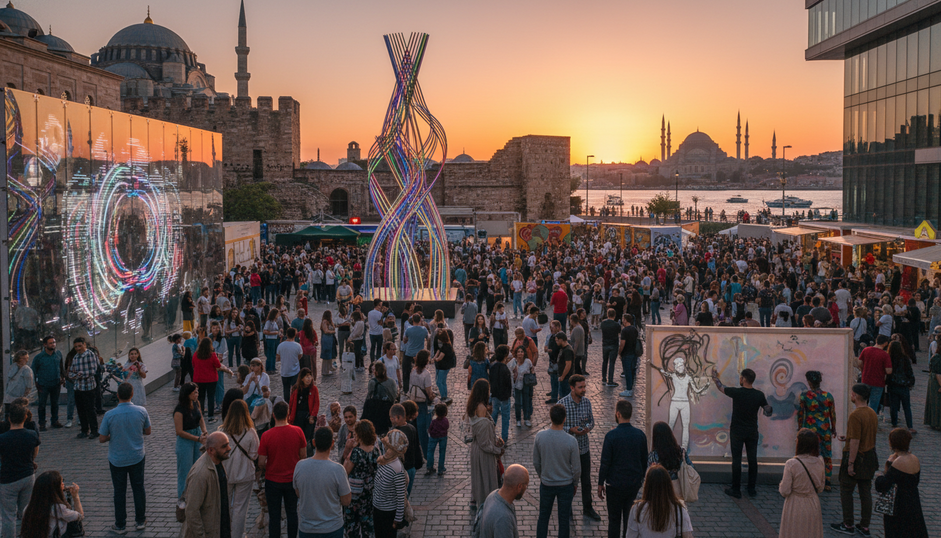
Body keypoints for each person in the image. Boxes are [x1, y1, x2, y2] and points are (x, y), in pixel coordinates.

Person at [98, 382, 151, 533]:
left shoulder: (109, 415)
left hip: (117, 459)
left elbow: (102, 438)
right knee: (138, 488)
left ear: (118, 395)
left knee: (119, 491)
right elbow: (148, 431)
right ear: (132, 394)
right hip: (137, 456)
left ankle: (120, 524)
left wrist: (112, 436)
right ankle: (140, 520)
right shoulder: (141, 411)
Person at [711, 368, 773, 498]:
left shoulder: (737, 392)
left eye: (740, 377)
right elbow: (767, 410)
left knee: (737, 460)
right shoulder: (759, 395)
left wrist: (714, 377)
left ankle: (736, 489)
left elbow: (721, 387)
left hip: (737, 431)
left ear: (743, 379)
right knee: (752, 460)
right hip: (752, 432)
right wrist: (768, 408)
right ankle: (751, 489)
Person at [831, 383, 879, 536]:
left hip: (857, 456)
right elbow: (864, 435)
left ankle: (848, 523)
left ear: (856, 396)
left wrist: (850, 463)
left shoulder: (855, 415)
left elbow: (856, 441)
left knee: (846, 490)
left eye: (852, 394)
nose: (851, 396)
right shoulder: (872, 412)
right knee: (865, 492)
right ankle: (864, 526)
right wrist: (849, 438)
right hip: (870, 455)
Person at [600, 400, 648, 538]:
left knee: (614, 520)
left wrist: (600, 482)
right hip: (633, 484)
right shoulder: (640, 435)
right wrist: (641, 478)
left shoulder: (611, 436)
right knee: (630, 520)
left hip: (614, 485)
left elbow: (605, 462)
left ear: (618, 414)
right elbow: (644, 459)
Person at [259, 400, 308, 538]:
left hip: (272, 480)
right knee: (292, 512)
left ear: (273, 415)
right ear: (288, 414)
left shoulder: (266, 435)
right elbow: (303, 456)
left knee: (274, 515)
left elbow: (261, 462)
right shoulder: (298, 431)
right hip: (292, 480)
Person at [294, 427, 352, 538]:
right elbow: (346, 501)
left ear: (314, 442)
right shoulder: (338, 469)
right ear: (332, 444)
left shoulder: (300, 466)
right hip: (332, 528)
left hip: (307, 528)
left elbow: (298, 493)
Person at [533, 403, 580, 538]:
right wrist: (575, 483)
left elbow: (536, 462)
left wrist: (543, 475)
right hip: (566, 485)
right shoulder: (571, 441)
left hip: (547, 483)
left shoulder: (540, 437)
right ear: (564, 419)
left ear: (550, 418)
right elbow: (576, 468)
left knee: (543, 517)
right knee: (564, 520)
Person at [873, 428, 928, 538]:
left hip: (899, 507)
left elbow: (882, 485)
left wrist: (885, 468)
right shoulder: (914, 458)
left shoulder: (898, 462)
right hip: (914, 502)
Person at [559, 375, 600, 520]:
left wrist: (587, 428)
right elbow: (558, 426)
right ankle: (567, 509)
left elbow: (591, 421)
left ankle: (587, 508)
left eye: (584, 386)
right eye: (580, 387)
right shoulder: (562, 404)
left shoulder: (587, 403)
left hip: (583, 448)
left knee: (586, 480)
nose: (584, 390)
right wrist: (571, 429)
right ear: (572, 388)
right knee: (568, 481)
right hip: (568, 451)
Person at [180, 431, 232, 538]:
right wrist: (200, 535)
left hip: (220, 527)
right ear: (211, 450)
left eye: (228, 444)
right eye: (224, 446)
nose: (229, 448)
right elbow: (192, 511)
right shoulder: (200, 474)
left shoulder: (217, 462)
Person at [220, 399, 258, 538]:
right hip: (245, 473)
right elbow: (254, 455)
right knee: (240, 508)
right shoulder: (251, 432)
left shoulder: (221, 431)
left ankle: (226, 533)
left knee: (225, 506)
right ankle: (238, 534)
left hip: (226, 473)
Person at [0, 404, 39, 538]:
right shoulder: (32, 434)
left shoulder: (3, 439)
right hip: (27, 476)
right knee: (26, 512)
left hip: (7, 479)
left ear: (9, 419)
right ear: (25, 418)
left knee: (8, 515)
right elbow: (35, 451)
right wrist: (31, 460)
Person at [778, 428, 826, 538]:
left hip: (795, 505)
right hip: (813, 504)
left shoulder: (791, 464)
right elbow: (820, 488)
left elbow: (785, 491)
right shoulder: (820, 462)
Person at [625, 465, 693, 538]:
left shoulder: (637, 509)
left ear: (647, 486)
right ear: (669, 485)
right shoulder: (679, 510)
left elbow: (630, 535)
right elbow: (687, 535)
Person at [467, 379, 504, 508]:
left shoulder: (473, 405)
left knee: (479, 479)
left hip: (477, 449)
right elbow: (484, 443)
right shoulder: (481, 408)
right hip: (483, 453)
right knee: (486, 481)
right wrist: (498, 450)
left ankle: (476, 500)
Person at [797, 371, 837, 489]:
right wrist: (833, 428)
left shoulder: (805, 396)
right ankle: (827, 481)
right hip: (825, 429)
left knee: (810, 454)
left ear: (809, 382)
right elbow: (832, 414)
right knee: (826, 455)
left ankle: (811, 479)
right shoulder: (828, 396)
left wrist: (800, 428)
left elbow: (801, 414)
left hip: (810, 430)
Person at [342, 419, 379, 538]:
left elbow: (345, 471)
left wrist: (349, 449)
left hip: (354, 496)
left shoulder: (357, 452)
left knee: (352, 525)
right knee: (367, 524)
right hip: (369, 494)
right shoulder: (375, 451)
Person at [20, 471, 83, 538]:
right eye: (61, 482)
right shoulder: (58, 508)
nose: (63, 484)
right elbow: (79, 516)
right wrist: (75, 496)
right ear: (55, 488)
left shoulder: (28, 507)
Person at [474, 464, 529, 538]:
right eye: (526, 485)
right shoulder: (503, 519)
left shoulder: (492, 495)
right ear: (519, 486)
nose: (526, 488)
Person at [372, 429, 409, 538]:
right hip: (378, 510)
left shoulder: (397, 469)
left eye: (387, 444)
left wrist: (397, 520)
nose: (385, 446)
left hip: (388, 514)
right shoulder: (384, 460)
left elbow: (401, 497)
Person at [174, 383, 208, 498]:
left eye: (197, 392)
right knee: (185, 471)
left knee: (197, 469)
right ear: (187, 394)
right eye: (195, 392)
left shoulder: (196, 403)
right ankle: (183, 497)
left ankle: (196, 495)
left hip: (197, 435)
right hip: (186, 440)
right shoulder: (179, 410)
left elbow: (200, 418)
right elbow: (179, 431)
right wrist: (197, 438)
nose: (197, 394)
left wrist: (204, 431)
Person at [647, 421, 692, 494]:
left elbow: (650, 474)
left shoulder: (654, 455)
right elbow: (691, 467)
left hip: (660, 490)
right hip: (678, 488)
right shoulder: (680, 451)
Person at [67, 338, 98, 439]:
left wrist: (80, 375)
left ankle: (94, 430)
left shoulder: (90, 355)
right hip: (78, 387)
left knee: (90, 409)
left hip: (88, 387)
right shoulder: (76, 357)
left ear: (84, 345)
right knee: (80, 410)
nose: (78, 348)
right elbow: (71, 371)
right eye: (76, 347)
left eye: (79, 346)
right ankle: (84, 430)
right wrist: (73, 375)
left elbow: (93, 371)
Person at [389, 403, 422, 497]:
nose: (391, 420)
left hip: (400, 470)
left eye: (392, 417)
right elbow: (416, 448)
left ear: (399, 417)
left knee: (399, 499)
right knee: (405, 498)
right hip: (411, 468)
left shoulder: (394, 432)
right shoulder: (412, 428)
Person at [31, 336, 63, 431]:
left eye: (54, 342)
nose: (53, 344)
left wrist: (63, 377)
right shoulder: (39, 357)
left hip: (56, 382)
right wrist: (36, 382)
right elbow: (33, 370)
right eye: (50, 343)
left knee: (55, 403)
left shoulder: (58, 354)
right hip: (43, 384)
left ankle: (54, 421)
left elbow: (61, 366)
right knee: (42, 404)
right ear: (45, 345)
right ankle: (42, 423)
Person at [855, 335, 892, 413]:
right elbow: (889, 371)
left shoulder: (866, 350)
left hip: (865, 379)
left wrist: (863, 370)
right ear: (885, 343)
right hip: (878, 382)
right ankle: (871, 422)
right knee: (873, 405)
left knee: (862, 402)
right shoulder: (885, 355)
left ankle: (861, 419)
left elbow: (859, 363)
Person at [288, 368, 320, 455]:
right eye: (307, 377)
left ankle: (308, 455)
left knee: (307, 438)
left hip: (309, 417)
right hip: (297, 417)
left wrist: (312, 416)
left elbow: (316, 404)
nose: (309, 379)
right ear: (302, 378)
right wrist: (289, 416)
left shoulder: (314, 389)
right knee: (297, 437)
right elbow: (291, 404)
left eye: (310, 377)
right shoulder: (296, 389)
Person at [886, 341, 916, 432]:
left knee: (894, 406)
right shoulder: (904, 358)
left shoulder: (889, 358)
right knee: (907, 407)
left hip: (893, 384)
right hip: (903, 385)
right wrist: (911, 382)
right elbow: (909, 372)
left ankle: (894, 423)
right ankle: (910, 426)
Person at [488, 345, 513, 442]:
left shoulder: (493, 367)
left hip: (495, 395)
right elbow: (508, 385)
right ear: (505, 355)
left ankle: (490, 434)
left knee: (494, 415)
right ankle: (504, 438)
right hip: (504, 397)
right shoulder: (505, 369)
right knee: (505, 417)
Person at [401, 313, 428, 393]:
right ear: (420, 320)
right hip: (419, 354)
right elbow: (428, 338)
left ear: (412, 320)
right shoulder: (424, 329)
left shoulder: (408, 330)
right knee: (420, 372)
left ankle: (406, 389)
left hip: (409, 353)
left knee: (406, 372)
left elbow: (404, 341)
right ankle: (420, 388)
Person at [510, 345, 534, 428]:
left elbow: (532, 370)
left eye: (522, 352)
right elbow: (509, 371)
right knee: (517, 403)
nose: (520, 353)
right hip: (516, 384)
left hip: (526, 384)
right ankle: (518, 420)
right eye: (518, 352)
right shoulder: (513, 362)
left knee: (526, 401)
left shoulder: (528, 361)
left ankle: (526, 418)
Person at [278, 328, 304, 399]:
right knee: (295, 389)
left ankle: (287, 404)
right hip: (295, 371)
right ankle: (294, 402)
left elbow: (277, 358)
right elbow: (300, 356)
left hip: (284, 371)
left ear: (286, 334)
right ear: (295, 335)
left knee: (286, 389)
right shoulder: (297, 346)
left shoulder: (281, 345)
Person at [431, 330, 456, 405]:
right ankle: (445, 396)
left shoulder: (446, 347)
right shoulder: (445, 344)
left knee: (439, 382)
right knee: (443, 382)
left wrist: (434, 359)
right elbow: (438, 351)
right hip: (442, 366)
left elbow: (439, 358)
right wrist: (434, 357)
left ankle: (443, 397)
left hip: (443, 367)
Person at [618, 313, 639, 398]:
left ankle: (629, 389)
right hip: (634, 353)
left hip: (626, 353)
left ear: (625, 320)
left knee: (627, 372)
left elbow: (622, 344)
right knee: (632, 371)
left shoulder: (625, 330)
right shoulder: (634, 329)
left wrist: (619, 352)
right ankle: (631, 387)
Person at [425, 403, 449, 476]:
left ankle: (429, 467)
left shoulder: (434, 421)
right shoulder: (445, 420)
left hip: (433, 437)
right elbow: (447, 427)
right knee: (442, 452)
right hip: (443, 437)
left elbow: (430, 429)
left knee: (430, 452)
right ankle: (440, 469)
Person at [600, 309, 620, 387]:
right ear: (614, 315)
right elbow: (619, 332)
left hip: (605, 344)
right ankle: (610, 380)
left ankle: (604, 378)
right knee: (612, 363)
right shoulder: (616, 324)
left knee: (604, 361)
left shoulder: (603, 323)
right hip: (614, 344)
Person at [555, 333, 575, 399]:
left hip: (566, 378)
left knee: (564, 397)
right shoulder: (563, 348)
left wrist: (563, 376)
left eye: (557, 340)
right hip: (563, 377)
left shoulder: (567, 350)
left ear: (561, 340)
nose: (556, 342)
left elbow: (568, 365)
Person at [926, 348, 941, 430]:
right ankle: (935, 422)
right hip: (936, 382)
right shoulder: (937, 358)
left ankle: (935, 422)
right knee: (936, 403)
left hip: (935, 381)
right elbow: (938, 373)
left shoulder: (936, 357)